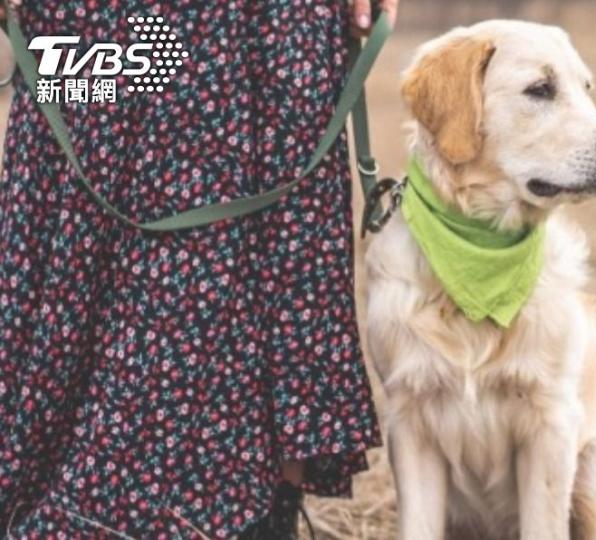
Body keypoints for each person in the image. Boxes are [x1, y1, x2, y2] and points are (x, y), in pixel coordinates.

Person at [0, 0, 398, 538]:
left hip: (277, 24)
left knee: (279, 248)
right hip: (103, 22)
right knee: (85, 230)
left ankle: (258, 510)